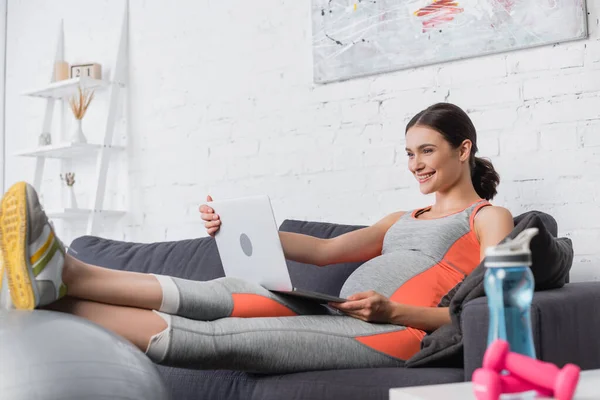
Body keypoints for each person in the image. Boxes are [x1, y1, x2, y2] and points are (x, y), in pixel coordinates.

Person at [0, 102, 513, 373]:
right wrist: (245, 227)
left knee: (227, 337)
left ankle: (50, 301)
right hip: (336, 307)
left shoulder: (489, 218)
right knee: (221, 293)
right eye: (408, 153)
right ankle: (67, 273)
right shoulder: (402, 216)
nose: (415, 164)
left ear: (462, 149)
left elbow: (491, 310)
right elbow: (326, 251)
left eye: (426, 151)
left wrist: (394, 312)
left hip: (394, 333)